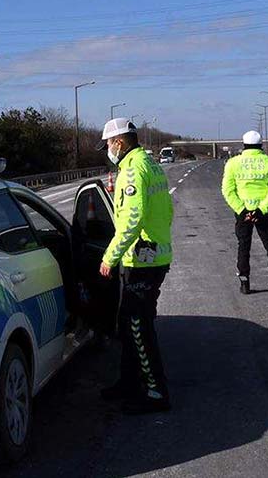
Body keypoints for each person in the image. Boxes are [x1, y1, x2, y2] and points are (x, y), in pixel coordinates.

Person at [97, 117, 174, 414]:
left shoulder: (132, 170)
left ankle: (156, 392)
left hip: (141, 261)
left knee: (138, 326)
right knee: (129, 324)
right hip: (154, 255)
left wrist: (110, 257)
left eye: (108, 143)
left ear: (119, 142)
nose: (107, 149)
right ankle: (128, 382)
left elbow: (131, 219)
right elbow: (167, 210)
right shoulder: (150, 164)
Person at [221, 130, 268, 294]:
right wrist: (261, 210)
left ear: (244, 145)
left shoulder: (233, 163)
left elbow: (228, 190)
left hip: (243, 212)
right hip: (263, 212)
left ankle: (245, 283)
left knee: (243, 245)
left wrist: (242, 210)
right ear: (261, 145)